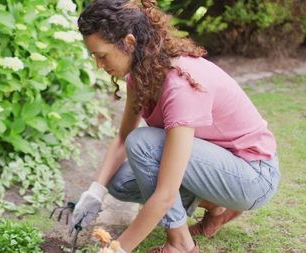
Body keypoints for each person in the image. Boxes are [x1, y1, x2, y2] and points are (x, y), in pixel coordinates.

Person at [70, 0, 281, 252]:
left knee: (143, 145)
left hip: (252, 176)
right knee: (118, 180)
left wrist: (117, 249)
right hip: (214, 166)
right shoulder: (141, 73)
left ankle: (180, 243)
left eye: (102, 55)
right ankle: (216, 206)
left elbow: (166, 193)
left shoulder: (181, 84)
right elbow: (122, 137)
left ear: (129, 42)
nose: (99, 65)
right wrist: (94, 192)